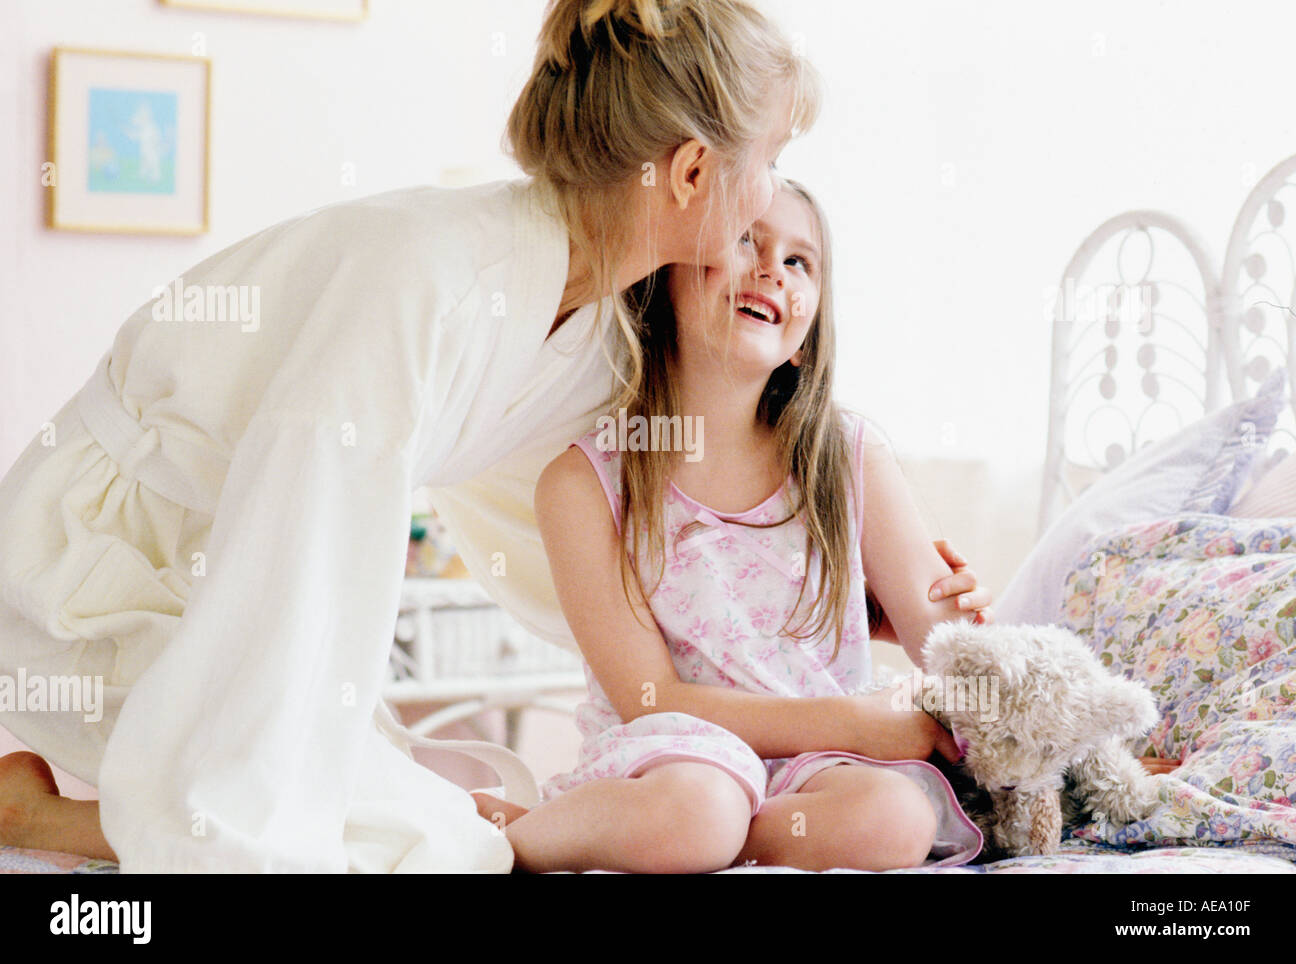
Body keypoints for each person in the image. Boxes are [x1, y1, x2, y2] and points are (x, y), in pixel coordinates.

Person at [0, 0, 834, 872]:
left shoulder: (602, 331)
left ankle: (44, 814)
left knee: (437, 830)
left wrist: (835, 601)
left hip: (224, 562)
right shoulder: (431, 278)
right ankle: (52, 819)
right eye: (771, 162)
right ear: (693, 172)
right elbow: (300, 528)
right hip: (98, 566)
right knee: (398, 842)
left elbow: (632, 512)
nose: (772, 193)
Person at [471, 179, 995, 873]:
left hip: (816, 766)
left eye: (800, 261)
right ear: (663, 281)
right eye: (746, 238)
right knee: (700, 809)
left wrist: (959, 623)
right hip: (677, 754)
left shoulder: (849, 457)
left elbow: (959, 655)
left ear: (806, 339)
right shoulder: (583, 483)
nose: (773, 268)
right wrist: (857, 723)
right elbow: (650, 700)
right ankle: (515, 841)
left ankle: (681, 845)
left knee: (895, 818)